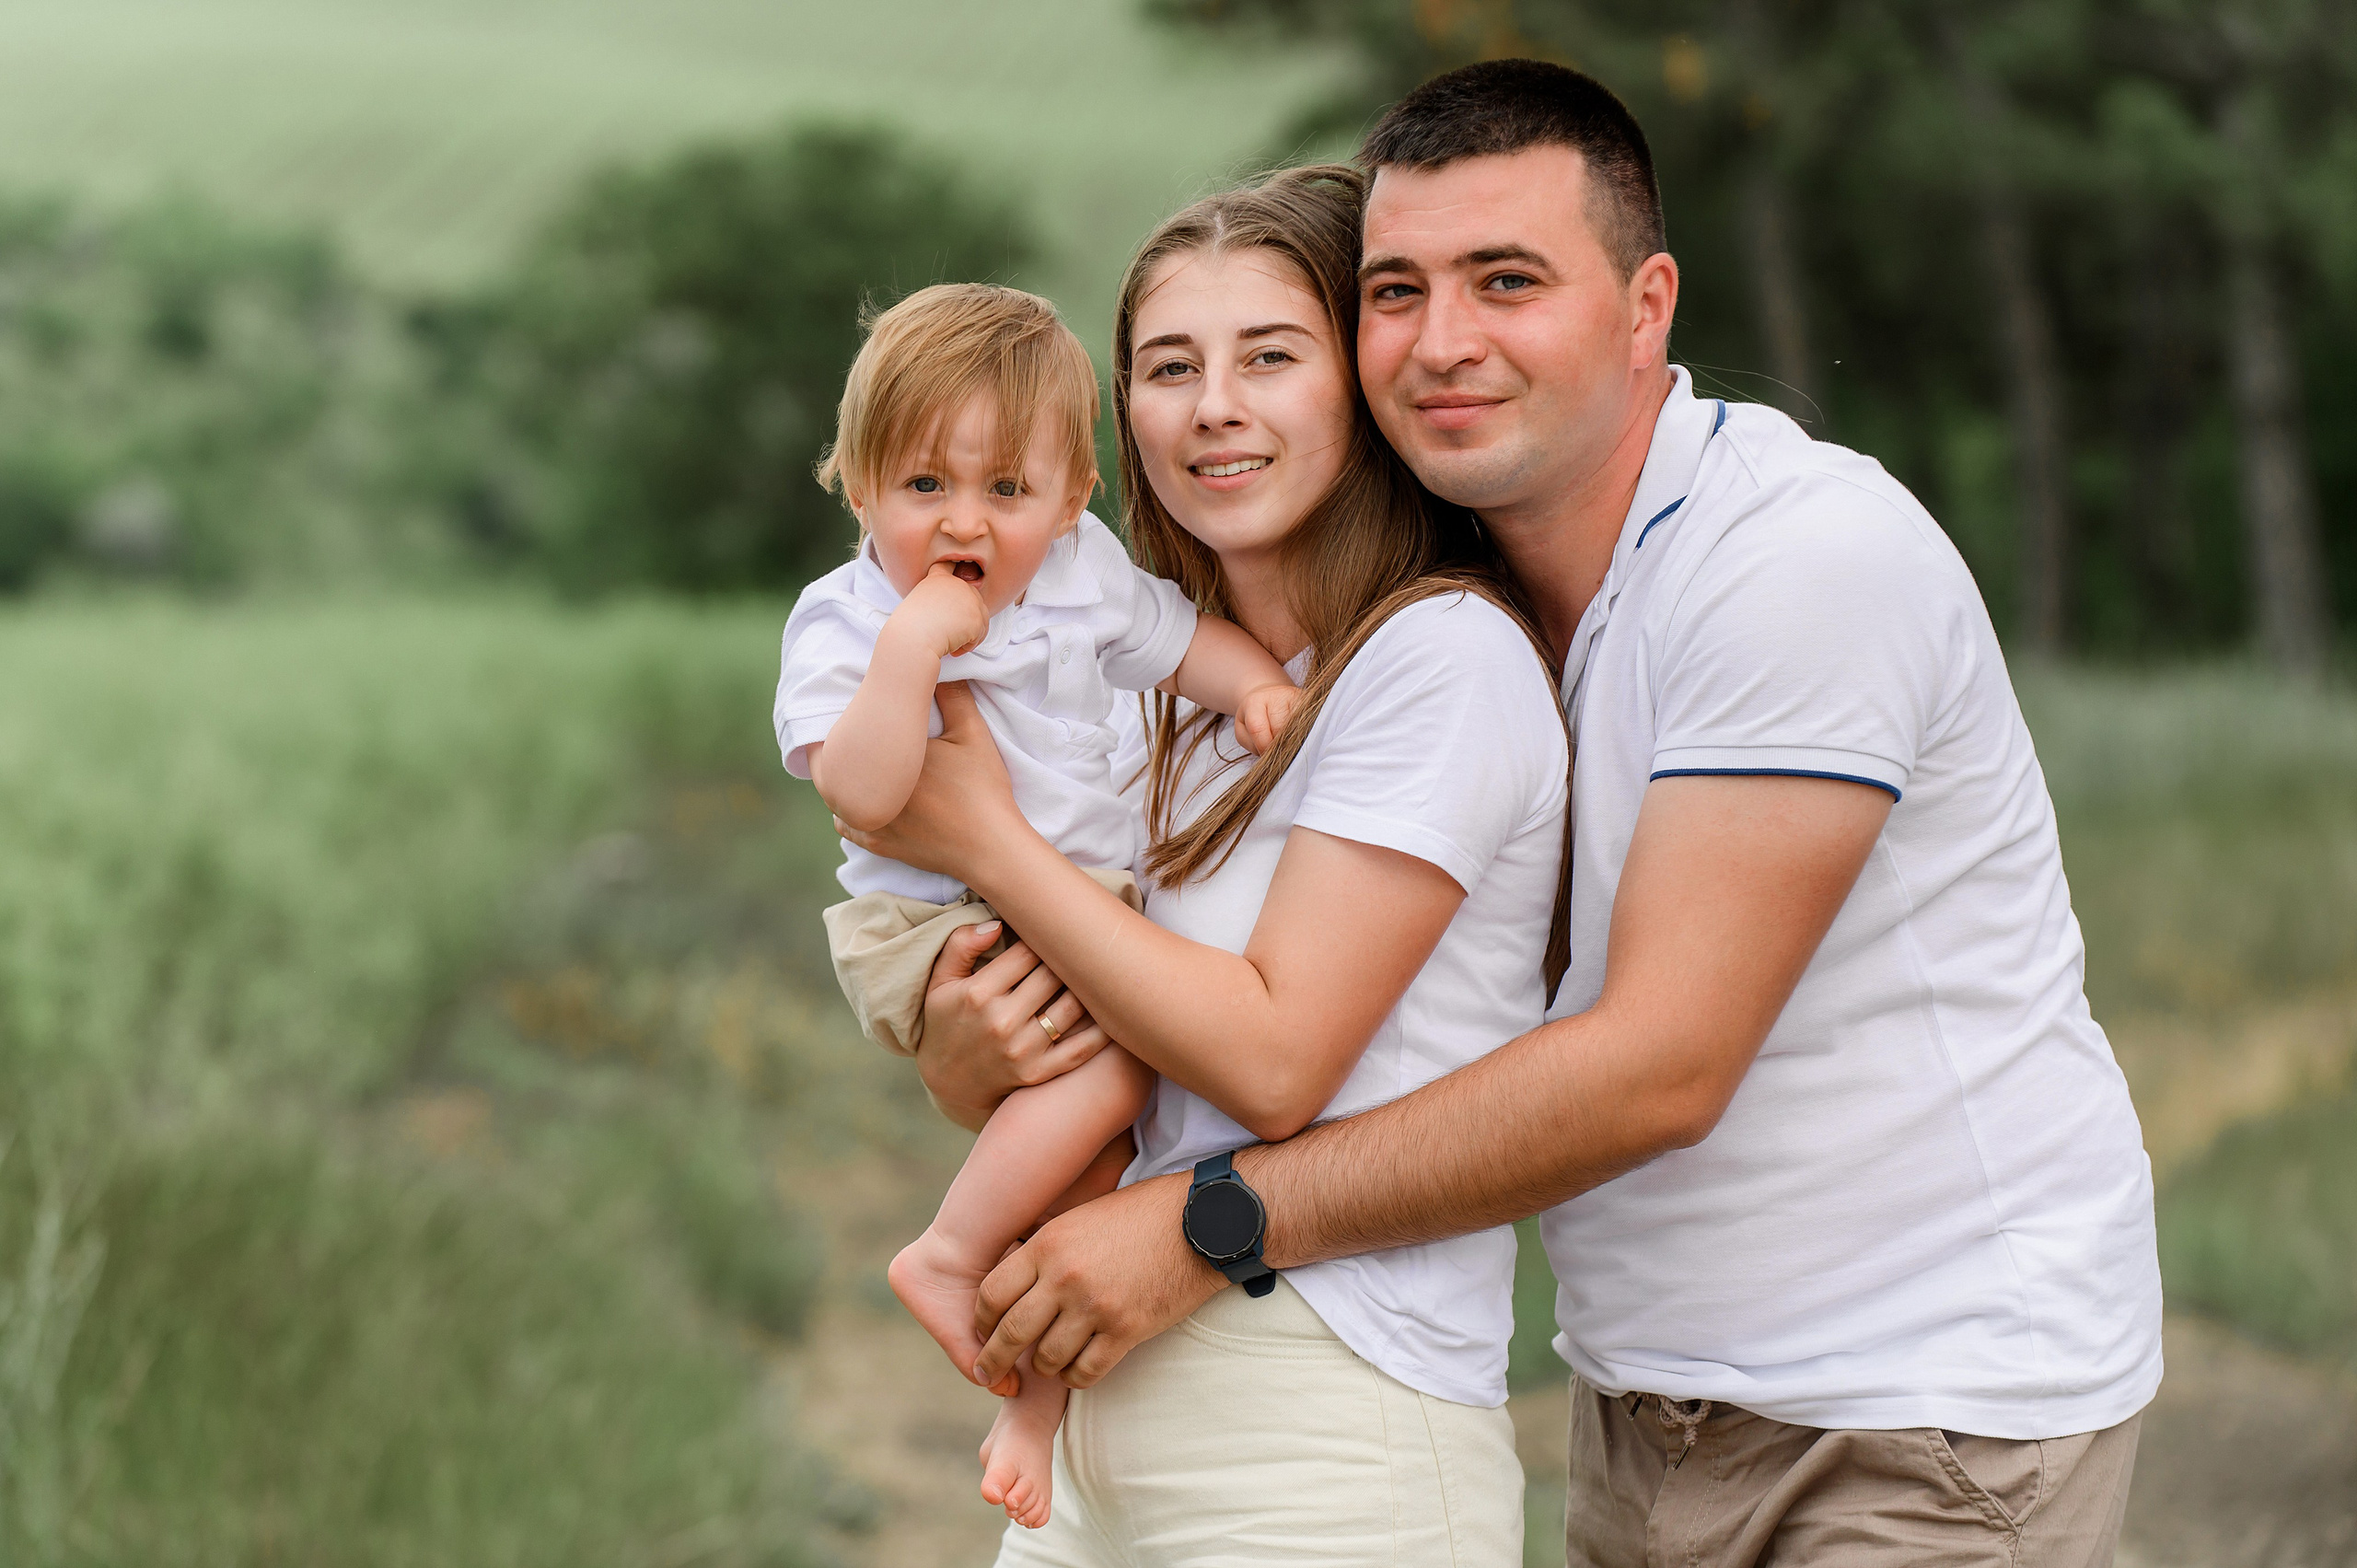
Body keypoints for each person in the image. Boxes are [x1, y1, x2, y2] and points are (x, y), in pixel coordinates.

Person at [871, 61, 2164, 1568]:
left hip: (1927, 1390)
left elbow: (1654, 1066)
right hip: (1650, 1399)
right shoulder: (1369, 621)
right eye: (1400, 290)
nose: (1444, 342)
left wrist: (1199, 1224)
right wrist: (971, 1050)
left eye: (1507, 280)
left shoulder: (1795, 565)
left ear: (1647, 304)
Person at [846, 166, 1571, 1562]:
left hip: (1323, 1414)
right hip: (1092, 1396)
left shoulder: (1436, 661)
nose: (1213, 406)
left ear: (1360, 391)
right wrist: (956, 1046)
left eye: (1271, 358)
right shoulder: (1132, 692)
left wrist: (982, 837)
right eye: (1169, 368)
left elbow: (1272, 1063)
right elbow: (1065, 1055)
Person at [773, 282, 1300, 1526]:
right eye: (923, 487)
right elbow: (856, 792)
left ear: (1072, 503)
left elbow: (1174, 642)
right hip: (932, 930)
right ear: (857, 485)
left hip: (1057, 905)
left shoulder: (1080, 580)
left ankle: (1032, 1397)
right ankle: (947, 1254)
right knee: (1123, 1079)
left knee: (1105, 1158)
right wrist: (915, 648)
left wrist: (1256, 691)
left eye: (1006, 491)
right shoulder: (850, 622)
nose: (964, 522)